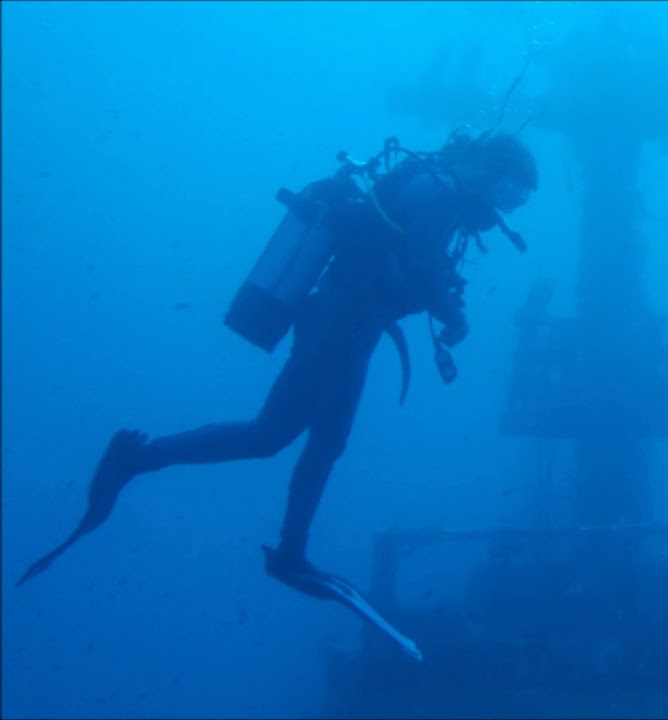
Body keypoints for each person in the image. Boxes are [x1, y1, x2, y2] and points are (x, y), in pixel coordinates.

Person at [17, 130, 538, 639]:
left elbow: (409, 262)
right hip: (339, 325)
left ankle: (290, 552)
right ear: (491, 172)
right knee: (269, 436)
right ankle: (141, 458)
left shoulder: (436, 188)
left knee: (325, 443)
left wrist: (438, 293)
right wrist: (455, 317)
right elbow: (422, 271)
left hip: (352, 325)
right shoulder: (440, 192)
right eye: (510, 193)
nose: (509, 208)